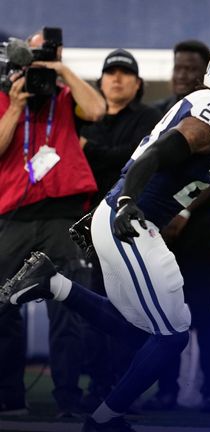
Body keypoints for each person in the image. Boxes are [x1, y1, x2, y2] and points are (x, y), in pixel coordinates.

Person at [0, 38, 210, 431]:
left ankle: (52, 283)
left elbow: (152, 152)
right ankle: (103, 420)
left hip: (125, 217)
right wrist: (126, 200)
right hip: (133, 223)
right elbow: (164, 149)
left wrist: (115, 203)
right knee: (171, 339)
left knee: (145, 334)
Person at [0, 28, 105, 417]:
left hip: (62, 213)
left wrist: (61, 69)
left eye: (48, 53)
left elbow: (97, 111)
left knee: (68, 307)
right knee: (3, 304)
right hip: (13, 215)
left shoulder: (65, 96)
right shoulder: (5, 97)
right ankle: (9, 394)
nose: (40, 62)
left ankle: (67, 397)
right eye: (35, 54)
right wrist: (14, 107)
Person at [142, 40, 210, 414]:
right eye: (178, 68)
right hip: (160, 230)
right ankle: (166, 391)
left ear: (207, 74)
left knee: (204, 311)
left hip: (200, 229)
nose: (183, 75)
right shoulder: (162, 113)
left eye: (192, 69)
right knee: (164, 312)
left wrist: (183, 214)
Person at [79, 48, 162, 409]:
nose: (117, 78)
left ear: (138, 82)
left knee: (129, 310)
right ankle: (98, 384)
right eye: (111, 72)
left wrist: (88, 149)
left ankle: (125, 390)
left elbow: (134, 160)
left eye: (125, 73)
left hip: (129, 229)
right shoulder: (86, 117)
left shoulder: (150, 117)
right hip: (85, 229)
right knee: (95, 310)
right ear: (100, 81)